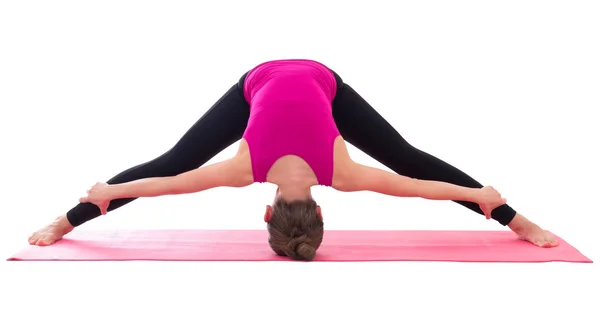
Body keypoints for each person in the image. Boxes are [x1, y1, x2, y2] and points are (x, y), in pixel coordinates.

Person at [28, 59, 558, 261]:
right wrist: (105, 193)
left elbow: (420, 188)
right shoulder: (245, 173)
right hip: (293, 79)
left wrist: (479, 195)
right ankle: (66, 220)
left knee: (408, 160)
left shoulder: (340, 177)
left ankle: (516, 219)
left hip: (292, 79)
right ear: (267, 212)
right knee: (408, 157)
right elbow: (166, 183)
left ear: (321, 213)